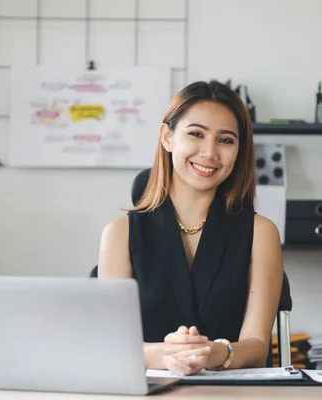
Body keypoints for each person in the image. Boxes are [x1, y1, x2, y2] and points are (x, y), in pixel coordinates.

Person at [97, 80, 284, 376]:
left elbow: (257, 345)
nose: (209, 153)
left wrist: (211, 353)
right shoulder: (120, 234)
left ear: (239, 151)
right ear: (167, 137)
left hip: (231, 394)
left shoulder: (260, 233)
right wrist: (172, 355)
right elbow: (113, 344)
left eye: (226, 140)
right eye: (196, 134)